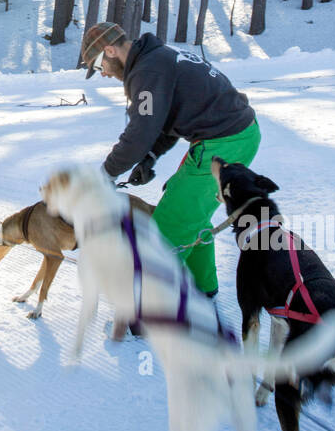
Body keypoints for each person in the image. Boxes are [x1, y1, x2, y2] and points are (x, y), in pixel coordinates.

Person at [81, 21, 260, 297]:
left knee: (169, 226)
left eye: (97, 66)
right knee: (191, 214)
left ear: (109, 51)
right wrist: (150, 156)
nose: (102, 74)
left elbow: (139, 133)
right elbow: (163, 120)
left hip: (223, 142)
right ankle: (203, 287)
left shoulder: (147, 71)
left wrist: (105, 174)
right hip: (233, 136)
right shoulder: (156, 57)